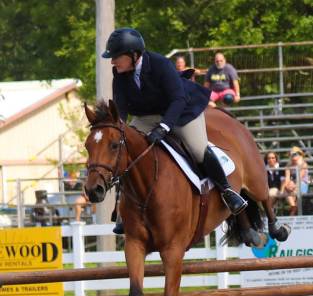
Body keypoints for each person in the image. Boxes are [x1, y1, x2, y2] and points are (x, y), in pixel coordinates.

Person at [102, 27, 247, 234]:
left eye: (116, 57)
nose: (112, 61)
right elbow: (122, 108)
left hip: (181, 111)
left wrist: (164, 127)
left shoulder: (160, 64)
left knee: (198, 149)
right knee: (125, 148)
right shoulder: (120, 73)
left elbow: (178, 100)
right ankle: (126, 210)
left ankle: (228, 192)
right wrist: (118, 129)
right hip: (147, 116)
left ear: (134, 56)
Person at [281, 146, 309, 216]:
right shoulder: (288, 165)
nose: (293, 156)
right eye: (292, 154)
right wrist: (288, 186)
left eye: (295, 154)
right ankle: (294, 208)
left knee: (293, 191)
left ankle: (293, 212)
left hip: (301, 183)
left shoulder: (303, 164)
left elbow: (299, 178)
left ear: (299, 155)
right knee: (286, 190)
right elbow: (287, 178)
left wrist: (292, 186)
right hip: (291, 184)